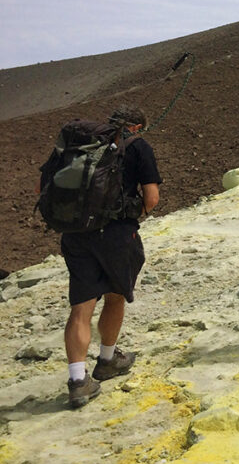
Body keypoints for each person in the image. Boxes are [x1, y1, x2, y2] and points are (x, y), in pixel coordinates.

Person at [56, 105, 162, 408]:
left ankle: (77, 381)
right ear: (138, 127)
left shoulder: (79, 145)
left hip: (75, 235)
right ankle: (107, 360)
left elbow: (42, 186)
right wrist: (129, 217)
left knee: (81, 307)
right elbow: (152, 199)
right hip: (116, 235)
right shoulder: (139, 147)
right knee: (115, 296)